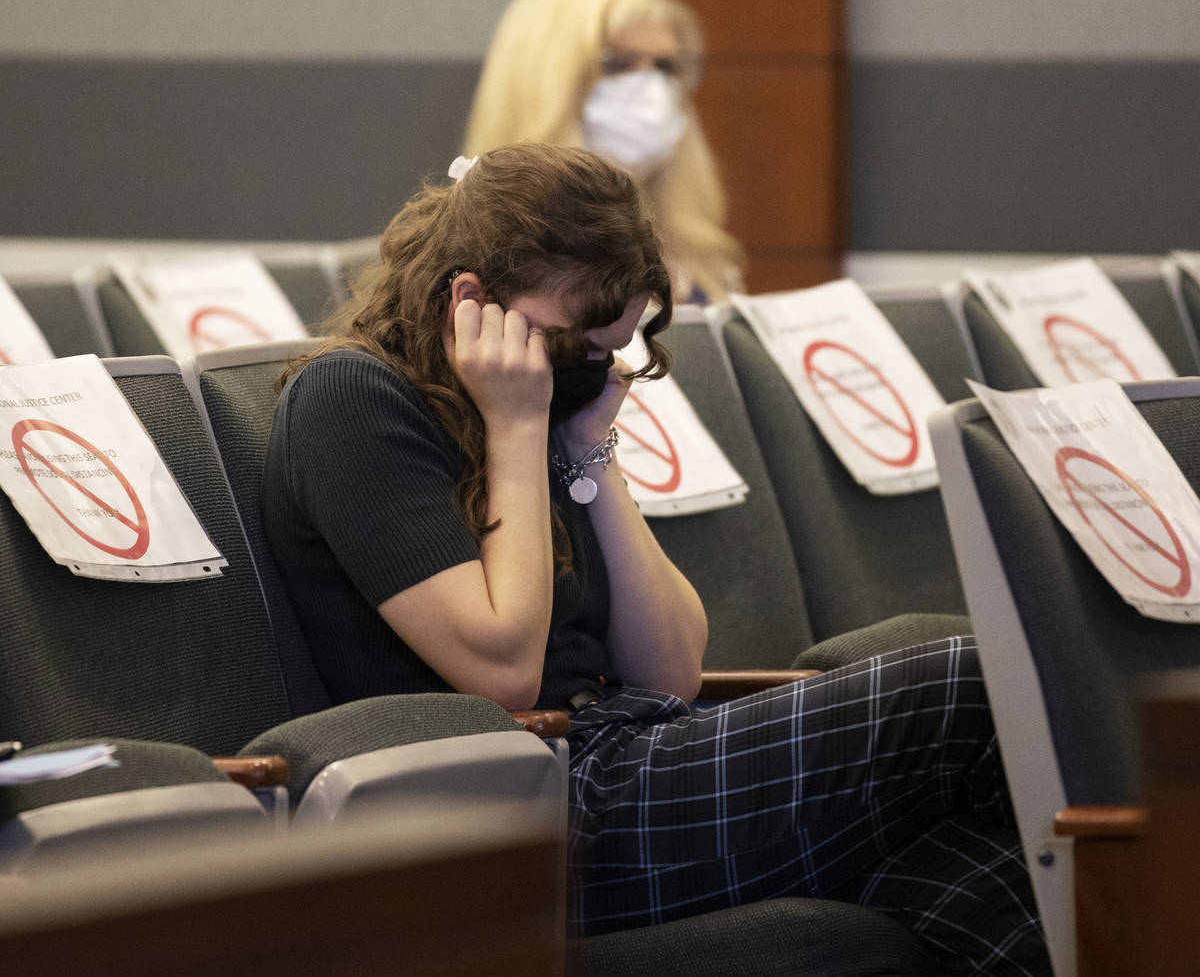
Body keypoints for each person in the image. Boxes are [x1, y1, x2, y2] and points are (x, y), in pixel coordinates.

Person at [262, 143, 1049, 976]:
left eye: (611, 351)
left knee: (985, 881)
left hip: (629, 755)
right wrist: (520, 430)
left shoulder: (542, 414)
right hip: (520, 814)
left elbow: (670, 670)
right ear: (470, 302)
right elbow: (501, 669)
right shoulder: (352, 401)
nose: (589, 370)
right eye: (571, 346)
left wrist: (587, 448)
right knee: (977, 683)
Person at [464, 0, 743, 305]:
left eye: (665, 66)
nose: (649, 87)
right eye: (616, 64)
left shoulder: (701, 257)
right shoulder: (484, 266)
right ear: (545, 83)